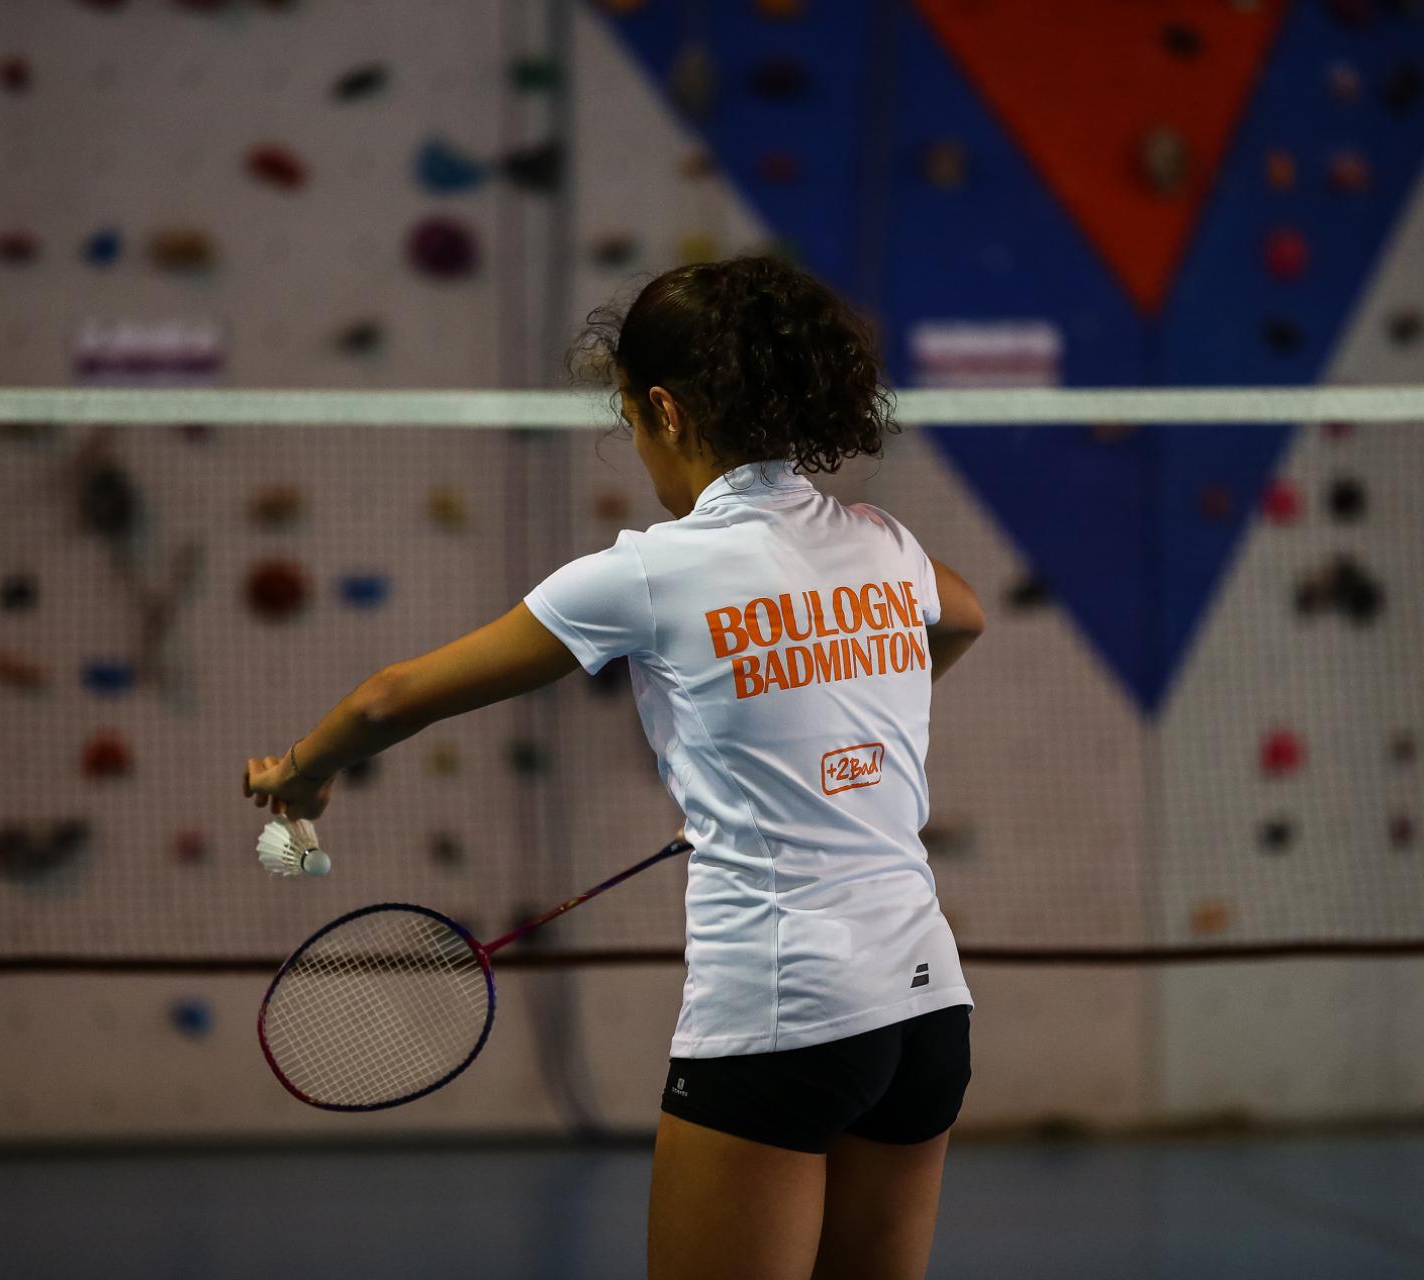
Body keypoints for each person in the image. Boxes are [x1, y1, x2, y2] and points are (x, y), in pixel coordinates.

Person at [243, 255, 987, 1280]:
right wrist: (817, 748)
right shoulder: (884, 544)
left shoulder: (651, 570)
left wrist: (304, 770)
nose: (637, 445)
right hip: (926, 1011)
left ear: (666, 410)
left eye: (631, 418)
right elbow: (965, 616)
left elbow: (390, 698)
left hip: (783, 1014)